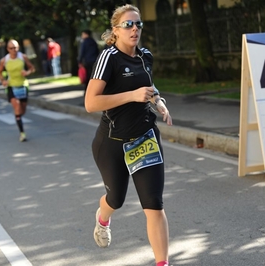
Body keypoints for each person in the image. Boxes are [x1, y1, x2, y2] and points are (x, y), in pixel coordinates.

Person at [84, 4, 172, 266]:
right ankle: (103, 217)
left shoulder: (145, 56)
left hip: (145, 138)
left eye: (138, 24)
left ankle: (162, 263)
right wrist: (131, 96)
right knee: (116, 199)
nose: (135, 29)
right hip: (112, 143)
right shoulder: (108, 58)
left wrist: (159, 102)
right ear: (116, 30)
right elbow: (90, 103)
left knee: (154, 204)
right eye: (128, 24)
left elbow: (148, 86)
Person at [0, 39, 35, 142]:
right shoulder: (4, 60)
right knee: (17, 107)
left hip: (23, 85)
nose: (14, 50)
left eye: (16, 47)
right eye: (11, 48)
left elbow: (32, 68)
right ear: (7, 49)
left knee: (22, 110)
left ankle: (18, 117)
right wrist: (3, 81)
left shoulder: (23, 57)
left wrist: (27, 73)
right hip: (11, 86)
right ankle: (22, 133)